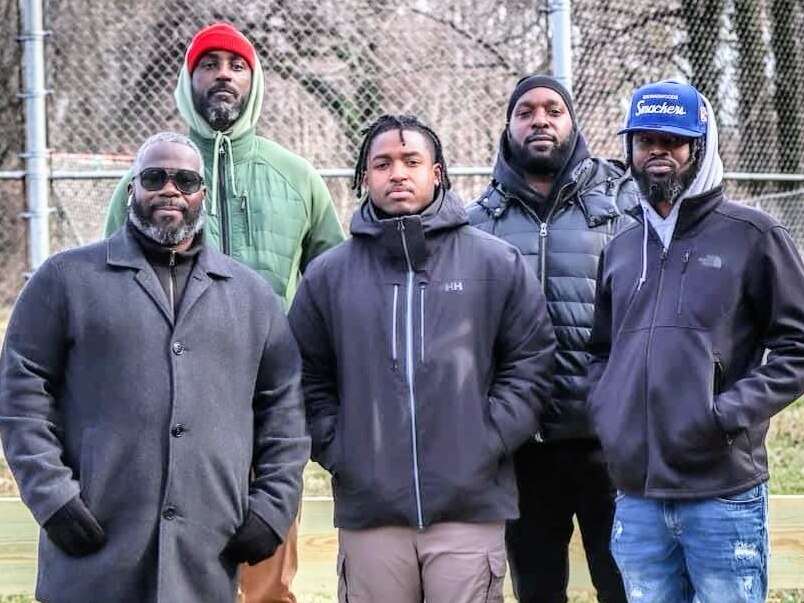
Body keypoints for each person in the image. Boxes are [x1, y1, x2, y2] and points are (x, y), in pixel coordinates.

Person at [0, 132, 310, 603]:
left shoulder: (251, 297)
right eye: (154, 177)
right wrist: (52, 497)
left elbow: (285, 411)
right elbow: (21, 395)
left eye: (186, 180)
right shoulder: (65, 280)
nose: (171, 189)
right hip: (94, 552)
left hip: (206, 557)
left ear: (202, 194)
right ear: (131, 189)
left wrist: (272, 506)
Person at [103, 23, 344, 602]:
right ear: (190, 79)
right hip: (165, 402)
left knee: (266, 578)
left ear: (254, 79)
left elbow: (335, 284)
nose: (222, 76)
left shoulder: (298, 178)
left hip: (265, 404)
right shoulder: (144, 184)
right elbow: (108, 290)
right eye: (208, 64)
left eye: (235, 65)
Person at [287, 114, 556, 603]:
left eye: (412, 161)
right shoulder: (329, 277)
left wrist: (487, 437)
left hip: (468, 505)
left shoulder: (494, 264)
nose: (397, 174)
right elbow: (306, 378)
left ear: (437, 173)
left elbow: (531, 362)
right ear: (365, 177)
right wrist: (342, 448)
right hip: (372, 511)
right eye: (383, 163)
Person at [587, 80, 804, 602]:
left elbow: (798, 346)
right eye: (645, 141)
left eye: (673, 141)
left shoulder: (753, 235)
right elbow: (599, 352)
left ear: (699, 148)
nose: (657, 153)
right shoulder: (619, 250)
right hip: (637, 496)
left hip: (721, 492)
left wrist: (724, 413)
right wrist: (608, 409)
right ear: (630, 150)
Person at [467, 74, 635, 603]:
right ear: (509, 127)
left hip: (608, 441)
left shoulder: (621, 201)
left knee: (624, 584)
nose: (540, 119)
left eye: (553, 109)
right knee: (537, 588)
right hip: (524, 447)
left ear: (572, 122)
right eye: (526, 111)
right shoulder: (478, 221)